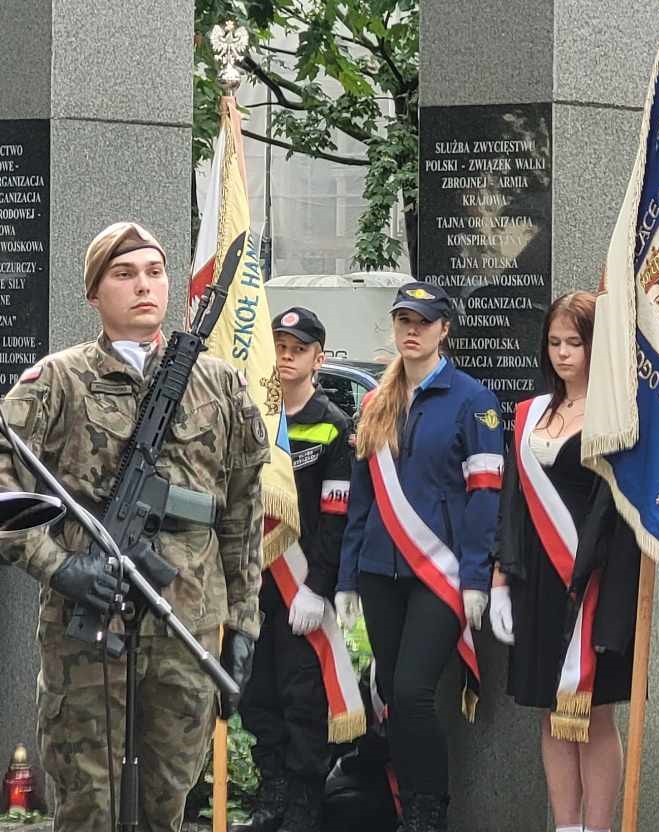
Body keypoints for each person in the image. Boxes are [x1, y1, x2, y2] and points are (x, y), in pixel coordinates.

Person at [0, 221, 268, 832]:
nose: (143, 286)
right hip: (88, 634)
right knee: (88, 807)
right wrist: (60, 566)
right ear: (94, 294)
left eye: (154, 272)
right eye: (124, 275)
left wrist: (244, 620)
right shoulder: (57, 380)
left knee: (165, 804)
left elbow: (242, 510)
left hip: (188, 626)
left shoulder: (219, 383)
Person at [334, 281, 502, 832]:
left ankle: (430, 811)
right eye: (404, 319)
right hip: (381, 572)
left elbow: (484, 497)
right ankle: (406, 806)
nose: (412, 329)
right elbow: (362, 498)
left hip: (441, 574)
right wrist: (347, 579)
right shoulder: (377, 401)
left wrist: (476, 577)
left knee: (411, 692)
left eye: (423, 321)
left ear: (444, 330)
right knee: (390, 693)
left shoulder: (473, 401)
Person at [490, 291, 637, 832]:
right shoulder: (530, 414)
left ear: (598, 346)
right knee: (551, 713)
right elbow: (513, 503)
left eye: (575, 342)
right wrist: (502, 577)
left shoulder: (617, 417)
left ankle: (598, 827)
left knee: (593, 713)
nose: (563, 353)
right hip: (537, 580)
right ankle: (566, 824)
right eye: (554, 342)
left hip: (594, 580)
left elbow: (616, 512)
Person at [237, 306, 354, 832]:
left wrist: (319, 587)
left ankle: (306, 799)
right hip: (252, 582)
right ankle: (273, 793)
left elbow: (336, 517)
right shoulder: (252, 417)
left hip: (302, 586)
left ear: (318, 359)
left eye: (298, 348)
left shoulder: (332, 426)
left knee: (302, 697)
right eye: (279, 345)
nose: (286, 356)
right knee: (256, 694)